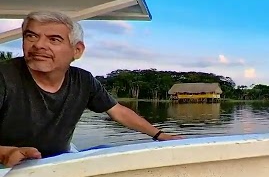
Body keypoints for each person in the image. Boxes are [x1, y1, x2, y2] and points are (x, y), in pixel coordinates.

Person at [0, 10, 183, 168]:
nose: (38, 45)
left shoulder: (83, 80)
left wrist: (159, 134)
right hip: (9, 166)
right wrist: (6, 153)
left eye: (54, 39)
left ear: (77, 50)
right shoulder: (4, 77)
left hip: (57, 161)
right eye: (31, 36)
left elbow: (118, 111)